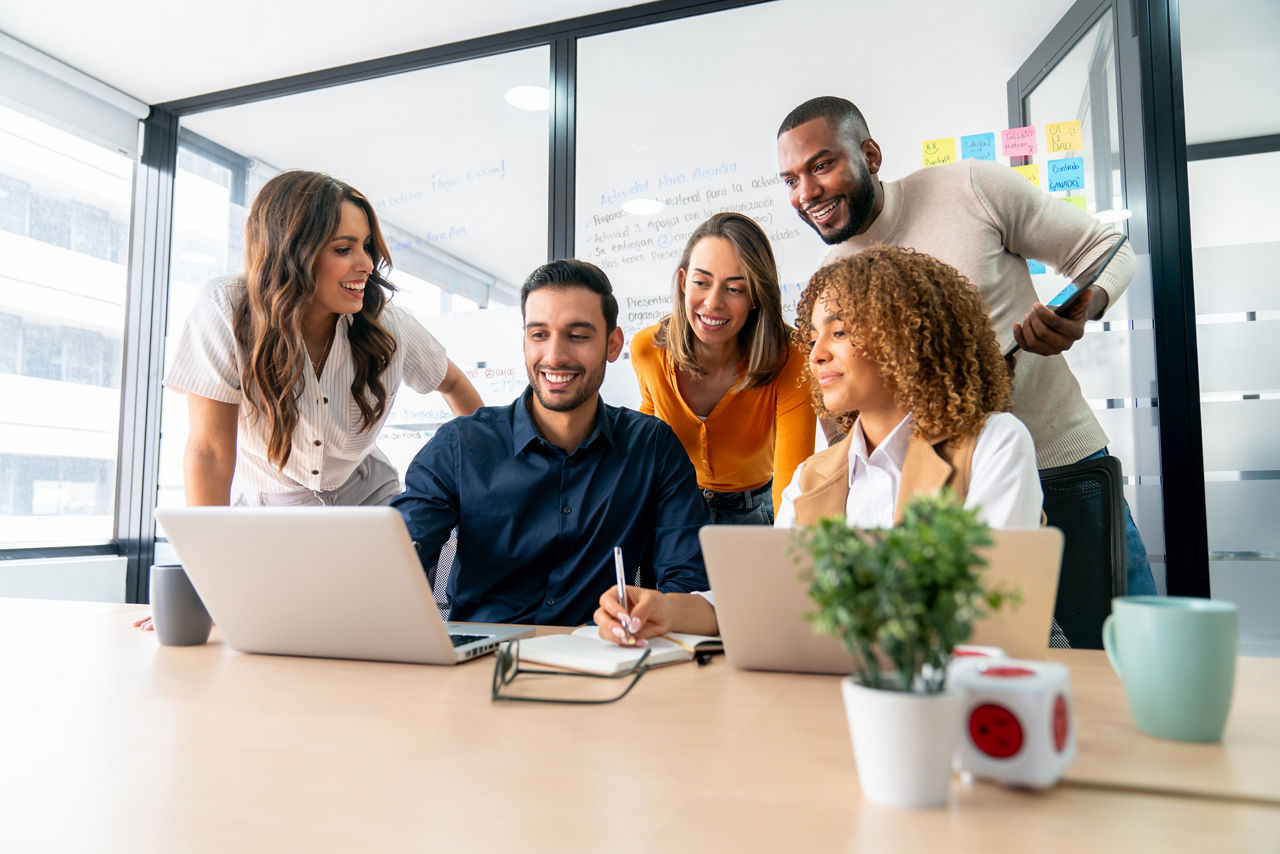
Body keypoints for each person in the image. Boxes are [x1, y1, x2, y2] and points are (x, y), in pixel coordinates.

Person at [776, 96, 1156, 594]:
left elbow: (1107, 249)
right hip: (947, 489)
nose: (807, 192)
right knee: (1000, 646)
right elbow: (846, 419)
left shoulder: (970, 187)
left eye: (822, 165)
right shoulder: (834, 282)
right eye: (790, 180)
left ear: (870, 155)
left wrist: (1081, 308)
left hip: (1059, 461)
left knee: (1117, 646)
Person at [392, 259, 717, 646]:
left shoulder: (652, 448)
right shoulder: (461, 445)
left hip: (602, 663)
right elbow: (395, 558)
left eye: (577, 335)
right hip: (479, 666)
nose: (555, 355)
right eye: (539, 334)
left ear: (613, 345)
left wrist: (654, 608)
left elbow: (688, 586)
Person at [164, 170, 482, 507]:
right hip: (266, 507)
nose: (367, 264)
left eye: (367, 247)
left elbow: (454, 384)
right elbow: (210, 451)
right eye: (344, 249)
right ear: (291, 252)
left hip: (368, 498)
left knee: (434, 558)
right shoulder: (227, 306)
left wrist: (487, 475)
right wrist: (210, 552)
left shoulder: (389, 324)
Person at [775, 245, 1043, 531]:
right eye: (814, 339)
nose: (816, 355)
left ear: (904, 336)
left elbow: (991, 574)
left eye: (839, 332)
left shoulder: (994, 443)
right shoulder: (807, 480)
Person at [631, 212, 815, 523]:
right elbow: (646, 447)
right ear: (683, 282)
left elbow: (792, 488)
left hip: (754, 512)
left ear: (756, 296)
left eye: (735, 289)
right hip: (673, 507)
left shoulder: (792, 358)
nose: (713, 303)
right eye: (701, 282)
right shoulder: (648, 350)